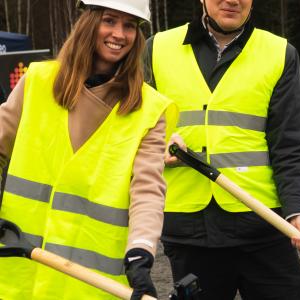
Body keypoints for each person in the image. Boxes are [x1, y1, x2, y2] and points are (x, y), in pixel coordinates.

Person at [144, 0, 300, 298]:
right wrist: (156, 141)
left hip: (263, 225)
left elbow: (292, 146)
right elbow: (128, 124)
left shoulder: (279, 53)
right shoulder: (156, 49)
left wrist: (299, 211)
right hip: (190, 230)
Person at [0, 0, 175, 299]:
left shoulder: (149, 109)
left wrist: (141, 250)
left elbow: (148, 190)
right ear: (88, 22)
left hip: (88, 285)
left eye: (129, 25)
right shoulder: (38, 82)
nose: (119, 33)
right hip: (19, 273)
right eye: (109, 20)